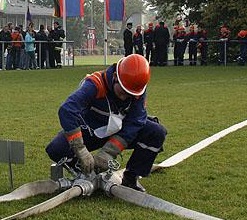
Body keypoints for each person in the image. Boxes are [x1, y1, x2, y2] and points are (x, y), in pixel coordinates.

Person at [44, 54, 166, 192]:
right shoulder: (95, 84)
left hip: (120, 131)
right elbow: (67, 110)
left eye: (129, 94)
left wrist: (109, 151)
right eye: (122, 92)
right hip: (90, 130)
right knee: (56, 149)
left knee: (156, 132)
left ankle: (131, 177)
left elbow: (135, 122)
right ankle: (84, 170)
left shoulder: (136, 89)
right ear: (115, 77)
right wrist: (80, 149)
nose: (125, 97)